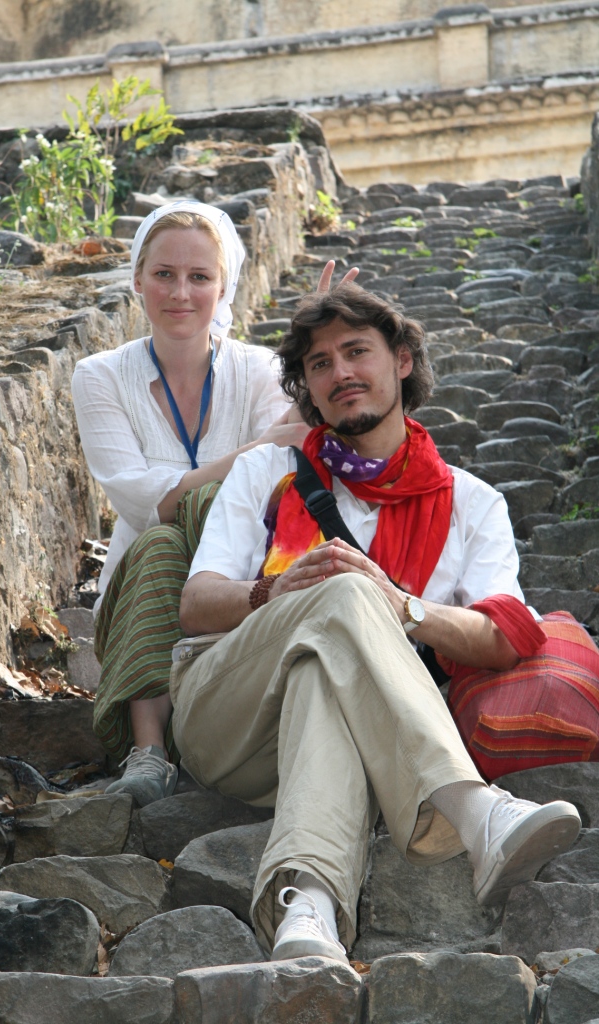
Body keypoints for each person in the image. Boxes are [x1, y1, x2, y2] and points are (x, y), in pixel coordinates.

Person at [171, 281, 581, 962]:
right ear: (307, 387)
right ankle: (472, 810)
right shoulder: (268, 470)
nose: (340, 373)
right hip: (229, 710)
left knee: (324, 672)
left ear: (402, 361)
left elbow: (503, 635)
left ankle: (307, 905)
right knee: (343, 590)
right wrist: (275, 591)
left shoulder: (473, 502)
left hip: (356, 731)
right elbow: (196, 603)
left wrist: (403, 607)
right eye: (320, 363)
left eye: (356, 351)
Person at [71, 199, 311, 805]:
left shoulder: (259, 369)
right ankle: (148, 750)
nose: (181, 292)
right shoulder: (100, 376)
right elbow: (140, 501)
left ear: (223, 287)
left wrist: (314, 348)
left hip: (240, 585)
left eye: (199, 276)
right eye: (164, 274)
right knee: (159, 540)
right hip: (140, 596)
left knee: (190, 519)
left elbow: (284, 466)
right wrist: (252, 451)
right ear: (137, 280)